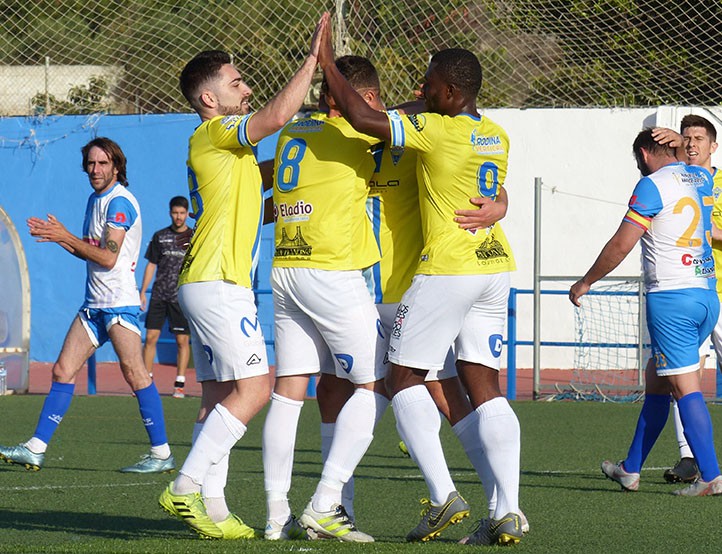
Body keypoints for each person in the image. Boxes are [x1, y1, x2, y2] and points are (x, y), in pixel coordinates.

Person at [318, 35, 523, 546]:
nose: (422, 91)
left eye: (430, 85)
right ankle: (507, 510)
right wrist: (500, 203)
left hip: (430, 275)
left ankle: (438, 495)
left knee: (400, 377)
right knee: (477, 388)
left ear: (450, 92)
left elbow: (372, 120)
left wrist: (324, 62)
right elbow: (487, 179)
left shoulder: (420, 132)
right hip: (491, 265)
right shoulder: (494, 133)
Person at [157, 12, 329, 541]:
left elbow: (256, 208)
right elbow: (278, 114)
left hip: (209, 282)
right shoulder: (217, 132)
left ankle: (212, 508)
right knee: (256, 388)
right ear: (210, 99)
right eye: (236, 83)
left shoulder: (230, 151)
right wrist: (312, 63)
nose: (245, 88)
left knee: (219, 396)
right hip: (217, 284)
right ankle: (183, 486)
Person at [262, 55, 388, 543]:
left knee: (289, 390)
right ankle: (324, 503)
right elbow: (404, 119)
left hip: (287, 269)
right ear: (364, 100)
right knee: (376, 383)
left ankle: (276, 516)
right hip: (332, 270)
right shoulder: (357, 133)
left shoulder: (294, 130)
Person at [0, 137, 174, 474]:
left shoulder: (119, 203)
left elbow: (108, 258)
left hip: (119, 304)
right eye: (91, 164)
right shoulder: (95, 199)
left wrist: (65, 236)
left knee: (135, 374)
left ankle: (162, 452)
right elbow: (87, 250)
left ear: (117, 167)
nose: (95, 170)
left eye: (103, 163)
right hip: (94, 305)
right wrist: (59, 237)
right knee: (63, 370)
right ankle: (35, 448)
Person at [570, 129, 722, 496]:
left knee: (685, 388)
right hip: (706, 294)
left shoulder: (651, 186)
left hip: (672, 299)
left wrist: (586, 281)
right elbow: (704, 212)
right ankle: (630, 469)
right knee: (657, 379)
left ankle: (711, 476)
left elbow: (622, 243)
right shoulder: (700, 176)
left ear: (643, 153)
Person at [652, 114, 721, 484]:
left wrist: (709, 231)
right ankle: (689, 457)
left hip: (717, 292)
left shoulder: (715, 181)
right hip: (688, 293)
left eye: (698, 138)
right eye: (686, 138)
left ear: (713, 146)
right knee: (684, 376)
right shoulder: (678, 181)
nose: (692, 144)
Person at [138, 195, 193, 398]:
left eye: (182, 213)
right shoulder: (160, 236)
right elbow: (151, 264)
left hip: (181, 297)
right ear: (170, 213)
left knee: (182, 341)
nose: (178, 217)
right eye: (175, 213)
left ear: (187, 214)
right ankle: (145, 381)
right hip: (159, 295)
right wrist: (143, 291)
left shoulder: (194, 237)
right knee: (151, 338)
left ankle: (179, 384)